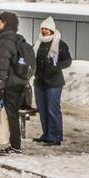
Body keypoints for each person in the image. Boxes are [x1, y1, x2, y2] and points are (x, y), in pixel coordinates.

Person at [0, 11, 29, 156]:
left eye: (0, 21)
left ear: (5, 23)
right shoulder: (17, 39)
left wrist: (0, 87)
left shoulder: (5, 41)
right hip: (20, 83)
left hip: (10, 84)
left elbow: (3, 66)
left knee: (11, 115)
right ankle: (15, 145)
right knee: (13, 115)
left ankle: (15, 146)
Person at [32, 17, 72, 146]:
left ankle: (55, 136)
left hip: (54, 82)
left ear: (52, 30)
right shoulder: (37, 43)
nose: (44, 31)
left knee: (52, 109)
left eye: (47, 29)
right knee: (42, 109)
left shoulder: (60, 44)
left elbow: (68, 61)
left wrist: (56, 66)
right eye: (42, 28)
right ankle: (47, 134)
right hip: (39, 81)